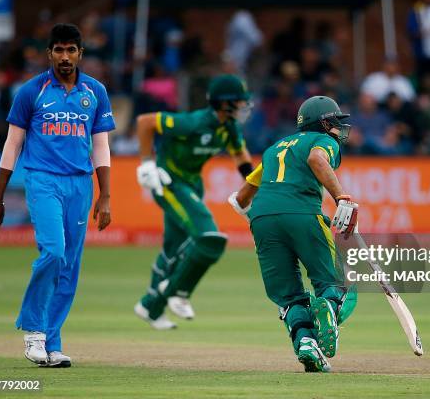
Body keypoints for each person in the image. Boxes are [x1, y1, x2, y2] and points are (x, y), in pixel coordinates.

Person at [0, 23, 114, 367]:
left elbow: (101, 147)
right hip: (43, 180)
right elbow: (12, 145)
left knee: (69, 266)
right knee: (54, 252)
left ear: (81, 53)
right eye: (59, 50)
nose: (65, 56)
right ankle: (33, 331)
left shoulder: (96, 91)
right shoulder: (32, 91)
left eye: (71, 50)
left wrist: (105, 196)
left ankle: (52, 343)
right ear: (49, 54)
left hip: (80, 183)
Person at [228, 96, 358, 372]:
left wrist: (260, 216)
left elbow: (240, 199)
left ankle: (307, 344)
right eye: (335, 122)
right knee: (338, 284)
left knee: (289, 298)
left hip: (262, 219)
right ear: (323, 123)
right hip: (302, 213)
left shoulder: (275, 148)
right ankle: (328, 309)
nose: (339, 129)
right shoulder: (323, 142)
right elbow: (316, 159)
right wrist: (341, 198)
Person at [133, 74, 255, 329]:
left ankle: (150, 307)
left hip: (191, 186)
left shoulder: (229, 128)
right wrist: (147, 163)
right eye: (240, 102)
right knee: (208, 236)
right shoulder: (193, 122)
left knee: (173, 248)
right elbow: (145, 122)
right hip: (167, 182)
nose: (245, 106)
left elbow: (242, 159)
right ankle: (179, 291)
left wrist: (256, 191)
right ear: (224, 103)